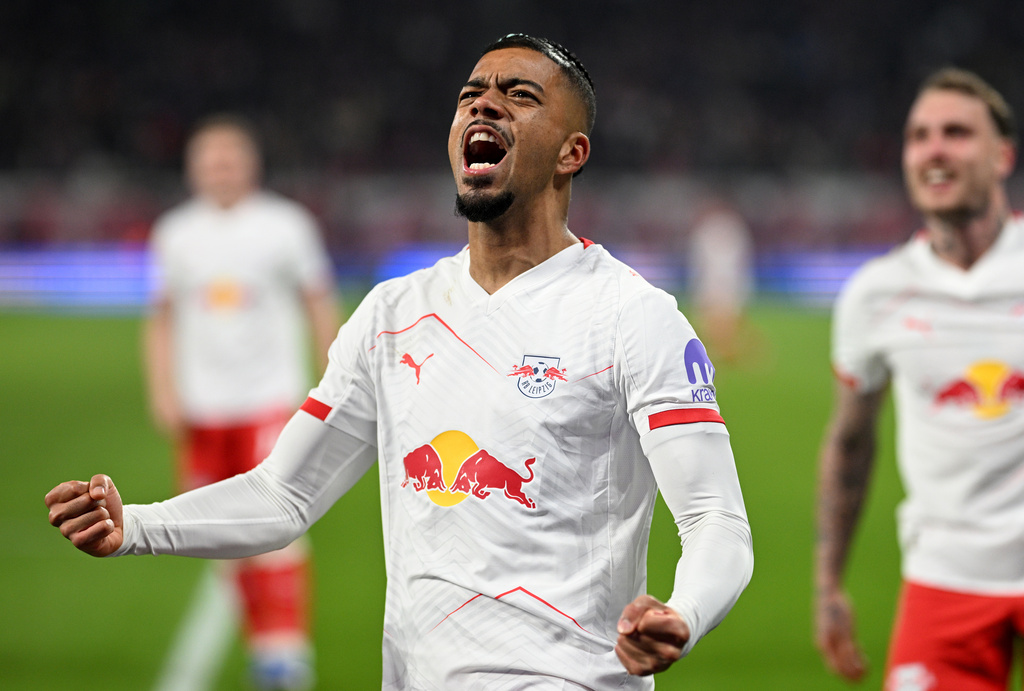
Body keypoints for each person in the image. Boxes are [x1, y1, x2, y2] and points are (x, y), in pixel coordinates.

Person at [46, 34, 753, 690]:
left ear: (572, 153)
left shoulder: (633, 314)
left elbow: (716, 517)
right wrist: (133, 526)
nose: (485, 102)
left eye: (520, 94)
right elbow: (284, 495)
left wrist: (685, 611)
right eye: (472, 93)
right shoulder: (392, 315)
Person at [815, 67, 1024, 691]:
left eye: (956, 133)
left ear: (1003, 155)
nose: (933, 150)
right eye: (919, 136)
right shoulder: (876, 295)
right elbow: (850, 443)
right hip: (944, 582)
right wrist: (828, 584)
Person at [144, 114, 340, 691]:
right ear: (193, 168)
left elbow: (317, 301)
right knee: (216, 534)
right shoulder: (174, 233)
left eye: (229, 157)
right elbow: (160, 318)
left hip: (267, 402)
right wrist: (163, 389)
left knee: (276, 525)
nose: (219, 168)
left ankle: (285, 650)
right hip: (203, 408)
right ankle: (264, 641)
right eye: (208, 159)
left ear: (249, 164)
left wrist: (332, 379)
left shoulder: (285, 226)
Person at [686, 199, 755, 363]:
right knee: (712, 319)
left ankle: (727, 352)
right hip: (719, 280)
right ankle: (725, 352)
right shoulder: (717, 228)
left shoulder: (725, 227)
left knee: (721, 319)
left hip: (721, 280)